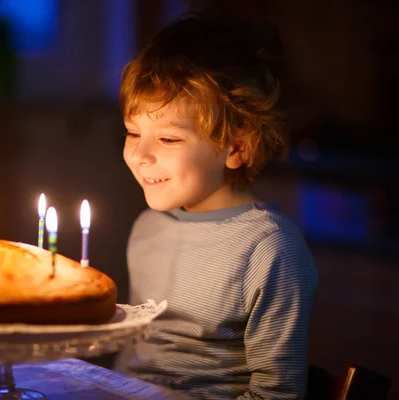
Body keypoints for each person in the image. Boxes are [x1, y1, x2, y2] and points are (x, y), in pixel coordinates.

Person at [114, 11, 318, 400]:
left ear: (236, 147)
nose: (140, 155)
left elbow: (277, 393)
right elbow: (134, 356)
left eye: (169, 140)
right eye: (133, 132)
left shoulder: (268, 248)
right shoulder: (147, 227)